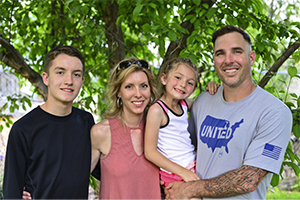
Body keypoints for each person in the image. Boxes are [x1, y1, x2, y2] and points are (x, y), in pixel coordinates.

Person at [165, 25, 293, 200]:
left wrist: (188, 190)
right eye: (220, 53)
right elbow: (181, 148)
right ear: (214, 60)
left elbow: (249, 178)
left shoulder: (274, 112)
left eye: (237, 51)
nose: (228, 60)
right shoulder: (203, 102)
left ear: (251, 57)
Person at [3, 45, 99, 200]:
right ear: (46, 78)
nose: (69, 81)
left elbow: (106, 169)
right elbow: (11, 190)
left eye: (76, 74)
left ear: (82, 81)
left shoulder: (86, 122)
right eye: (60, 72)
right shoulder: (23, 128)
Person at [90, 57, 161, 199]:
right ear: (118, 92)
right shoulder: (101, 132)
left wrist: (212, 93)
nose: (138, 94)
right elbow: (76, 180)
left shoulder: (162, 129)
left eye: (143, 86)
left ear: (151, 89)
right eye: (129, 87)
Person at [144, 58, 218, 190]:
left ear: (194, 89)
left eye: (190, 83)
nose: (183, 84)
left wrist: (213, 89)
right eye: (178, 77)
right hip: (175, 172)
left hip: (192, 165)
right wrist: (183, 172)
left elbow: (206, 106)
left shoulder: (184, 104)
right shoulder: (157, 110)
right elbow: (150, 152)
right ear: (164, 79)